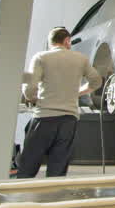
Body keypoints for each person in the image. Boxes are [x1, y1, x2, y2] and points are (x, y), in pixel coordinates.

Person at [18, 27, 100, 178]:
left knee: (29, 162)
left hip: (44, 116)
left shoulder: (41, 57)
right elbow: (96, 81)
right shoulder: (81, 59)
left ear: (51, 43)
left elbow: (29, 87)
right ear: (67, 41)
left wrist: (33, 98)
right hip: (69, 119)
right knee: (58, 165)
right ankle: (54, 197)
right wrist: (78, 92)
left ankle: (18, 196)